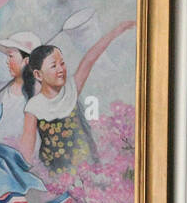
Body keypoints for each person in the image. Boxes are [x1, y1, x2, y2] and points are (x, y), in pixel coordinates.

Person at [20, 20, 136, 172]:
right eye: (53, 66)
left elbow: (90, 58)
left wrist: (117, 30)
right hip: (57, 172)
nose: (61, 69)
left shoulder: (72, 89)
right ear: (38, 74)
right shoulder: (34, 107)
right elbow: (27, 143)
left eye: (62, 63)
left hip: (88, 165)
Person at [0, 31, 40, 158]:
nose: (7, 62)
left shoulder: (37, 92)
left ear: (26, 61)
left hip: (17, 157)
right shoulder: (1, 89)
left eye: (11, 56)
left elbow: (29, 138)